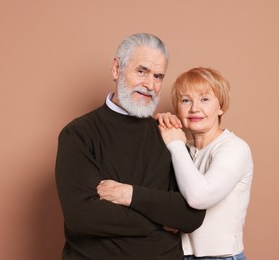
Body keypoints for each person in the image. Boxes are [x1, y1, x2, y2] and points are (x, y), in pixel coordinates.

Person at [55, 33, 205, 260]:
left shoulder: (169, 133)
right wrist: (161, 217)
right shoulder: (78, 134)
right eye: (141, 71)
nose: (150, 85)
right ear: (116, 68)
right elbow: (82, 216)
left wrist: (130, 195)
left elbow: (190, 215)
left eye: (158, 76)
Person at [99, 67, 253, 260]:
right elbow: (164, 202)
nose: (194, 108)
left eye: (204, 99)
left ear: (221, 106)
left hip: (220, 257)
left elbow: (199, 197)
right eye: (186, 100)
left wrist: (174, 143)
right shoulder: (184, 148)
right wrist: (159, 128)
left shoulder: (234, 148)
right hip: (179, 255)